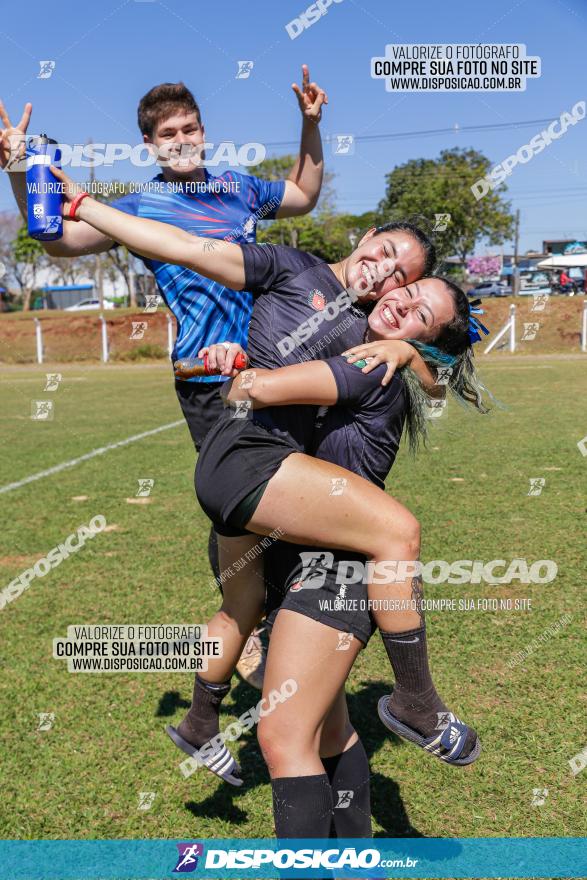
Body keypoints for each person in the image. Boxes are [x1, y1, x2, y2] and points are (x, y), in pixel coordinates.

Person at [0, 66, 327, 687]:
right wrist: (21, 169)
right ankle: (250, 626)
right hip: (208, 381)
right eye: (168, 132)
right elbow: (57, 240)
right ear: (150, 145)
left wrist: (311, 126)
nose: (182, 138)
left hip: (277, 368)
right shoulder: (141, 206)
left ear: (204, 132)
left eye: (191, 127)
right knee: (243, 507)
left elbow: (304, 193)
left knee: (293, 499)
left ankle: (277, 618)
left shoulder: (237, 188)